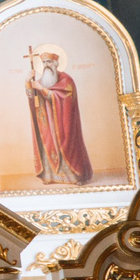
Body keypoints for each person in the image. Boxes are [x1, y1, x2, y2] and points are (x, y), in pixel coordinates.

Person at [26, 46, 93, 184]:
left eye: (49, 62)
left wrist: (42, 90)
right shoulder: (41, 81)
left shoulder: (66, 80)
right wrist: (28, 83)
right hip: (46, 122)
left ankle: (74, 176)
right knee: (47, 143)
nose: (46, 65)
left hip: (63, 121)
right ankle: (50, 176)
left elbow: (64, 98)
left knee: (66, 144)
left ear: (56, 63)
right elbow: (33, 96)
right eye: (44, 63)